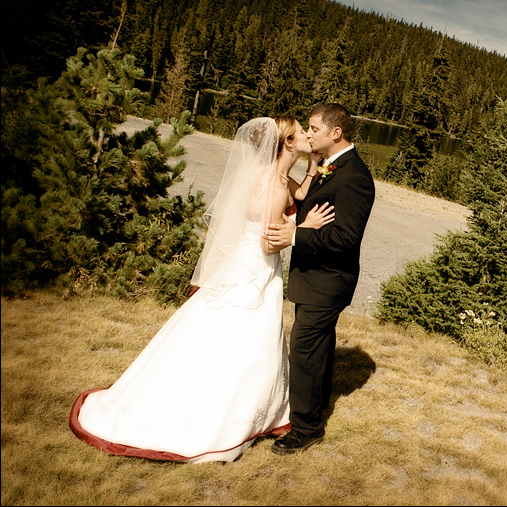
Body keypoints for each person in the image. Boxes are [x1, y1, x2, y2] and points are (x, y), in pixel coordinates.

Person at [69, 116, 334, 463]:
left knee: (230, 337)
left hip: (246, 268)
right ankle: (225, 413)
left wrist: (313, 166)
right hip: (254, 270)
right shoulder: (273, 183)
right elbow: (269, 243)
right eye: (301, 132)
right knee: (245, 340)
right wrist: (303, 226)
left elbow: (297, 192)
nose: (307, 136)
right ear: (285, 142)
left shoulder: (276, 176)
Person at [265, 103, 375, 454]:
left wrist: (295, 236)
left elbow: (345, 238)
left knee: (304, 350)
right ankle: (316, 406)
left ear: (335, 133)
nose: (308, 134)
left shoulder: (355, 177)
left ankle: (307, 428)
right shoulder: (331, 166)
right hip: (314, 278)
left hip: (328, 281)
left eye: (313, 128)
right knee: (318, 347)